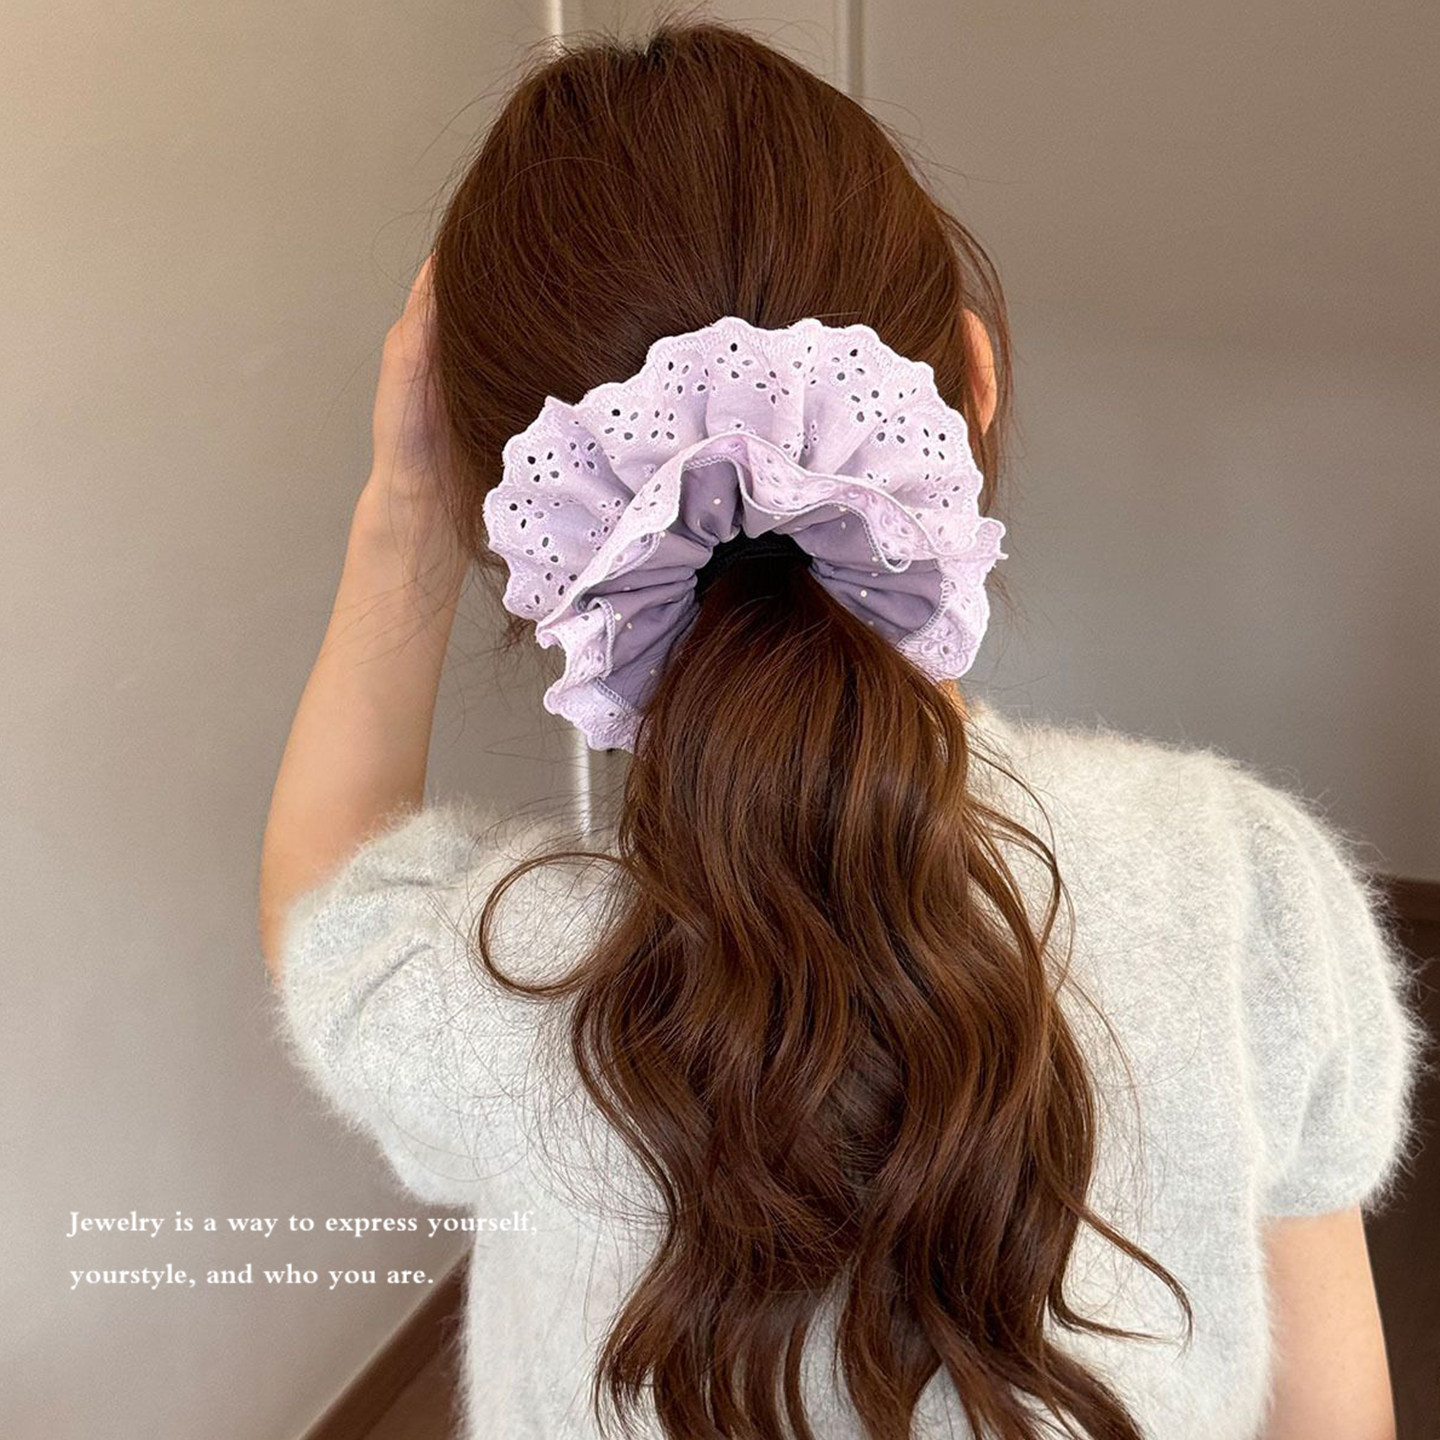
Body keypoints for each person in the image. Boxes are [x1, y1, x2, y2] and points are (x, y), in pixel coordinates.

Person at [257, 19, 1428, 1440]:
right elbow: (1335, 1416)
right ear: (973, 388)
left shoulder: (493, 985)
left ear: (525, 525)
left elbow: (325, 907)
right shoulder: (1243, 884)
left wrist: (403, 518)